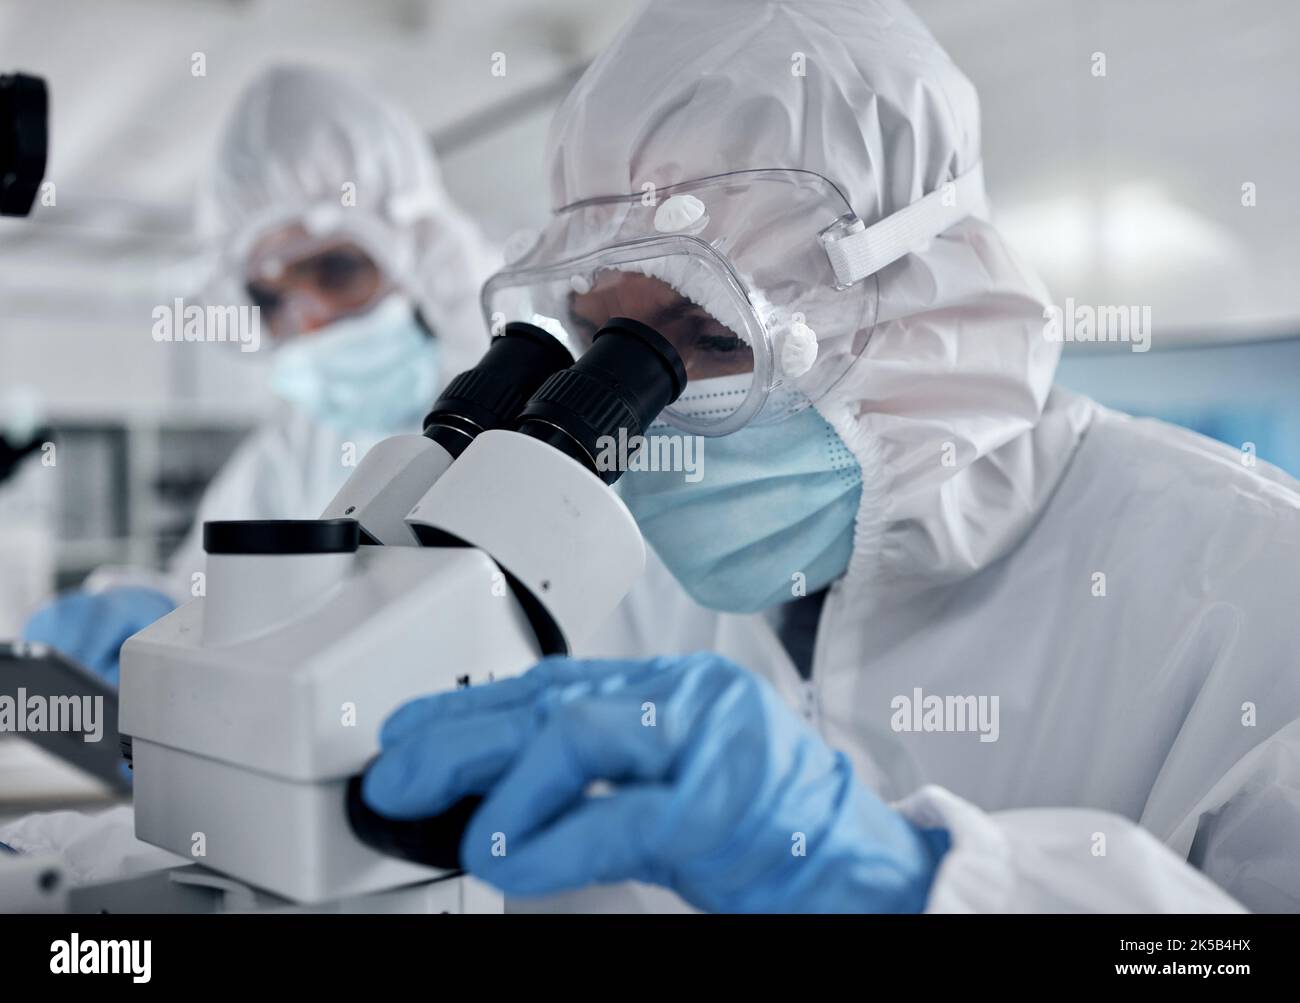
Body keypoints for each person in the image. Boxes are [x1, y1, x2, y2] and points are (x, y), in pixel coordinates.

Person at [359, 0, 1300, 912]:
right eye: (608, 344)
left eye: (716, 333)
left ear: (928, 309)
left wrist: (913, 880)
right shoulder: (627, 587)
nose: (655, 422)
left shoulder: (1249, 591)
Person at [22, 65, 497, 685]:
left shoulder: (528, 426)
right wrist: (162, 623)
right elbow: (212, 596)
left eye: (336, 271)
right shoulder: (291, 449)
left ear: (425, 255)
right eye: (271, 298)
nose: (310, 322)